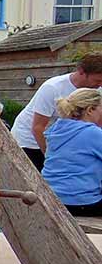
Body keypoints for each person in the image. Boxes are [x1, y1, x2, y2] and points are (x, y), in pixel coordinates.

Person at [11, 53, 102, 170]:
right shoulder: (52, 88)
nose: (100, 84)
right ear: (81, 72)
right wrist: (50, 157)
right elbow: (37, 127)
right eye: (97, 80)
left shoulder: (97, 90)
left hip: (56, 139)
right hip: (30, 141)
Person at [42, 88, 102, 216]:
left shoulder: (55, 131)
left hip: (51, 199)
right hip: (80, 203)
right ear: (90, 110)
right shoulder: (92, 133)